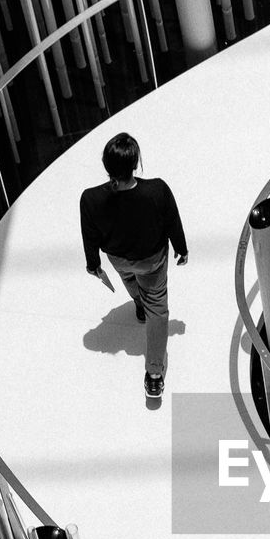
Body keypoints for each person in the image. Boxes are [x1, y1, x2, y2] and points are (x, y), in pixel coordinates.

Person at [80, 133, 188, 401]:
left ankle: (139, 304)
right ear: (136, 163)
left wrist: (93, 265)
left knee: (129, 280)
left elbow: (89, 235)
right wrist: (181, 248)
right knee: (158, 310)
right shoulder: (157, 190)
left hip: (117, 259)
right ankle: (154, 374)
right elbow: (173, 220)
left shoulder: (90, 198)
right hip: (151, 262)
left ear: (106, 165)